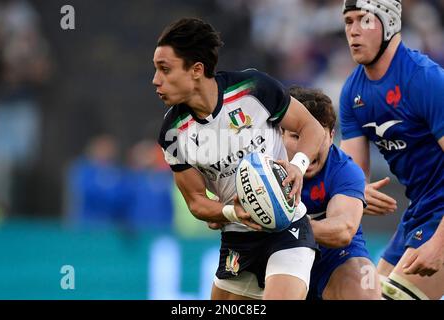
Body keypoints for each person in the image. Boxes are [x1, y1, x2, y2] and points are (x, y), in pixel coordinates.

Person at [154, 18, 325, 300]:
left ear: (197, 70)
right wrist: (231, 212)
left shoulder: (253, 87)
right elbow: (196, 200)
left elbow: (312, 128)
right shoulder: (173, 132)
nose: (155, 80)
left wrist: (298, 165)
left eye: (165, 69)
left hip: (287, 227)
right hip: (237, 240)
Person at [340, 0, 444, 300]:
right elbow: (350, 175)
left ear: (389, 23)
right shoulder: (353, 93)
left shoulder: (425, 79)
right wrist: (357, 192)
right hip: (420, 211)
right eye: (348, 22)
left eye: (364, 20)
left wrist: (439, 244)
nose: (354, 32)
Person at [282, 85, 380, 300]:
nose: (308, 147)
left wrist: (282, 225)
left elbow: (343, 230)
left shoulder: (346, 170)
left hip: (334, 257)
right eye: (296, 136)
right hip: (274, 255)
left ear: (331, 135)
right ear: (280, 135)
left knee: (366, 282)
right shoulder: (260, 166)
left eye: (317, 136)